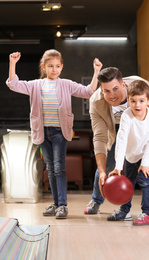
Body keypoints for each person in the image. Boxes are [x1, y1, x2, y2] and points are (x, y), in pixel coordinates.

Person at [6, 50, 102, 219]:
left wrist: (96, 72)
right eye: (50, 66)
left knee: (59, 168)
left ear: (62, 67)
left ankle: (63, 205)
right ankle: (57, 204)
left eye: (57, 66)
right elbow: (13, 84)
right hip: (42, 131)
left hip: (59, 131)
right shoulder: (36, 85)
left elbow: (88, 91)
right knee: (50, 169)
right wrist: (13, 63)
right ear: (44, 67)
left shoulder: (66, 84)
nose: (54, 69)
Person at [84, 67, 149, 222]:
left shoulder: (145, 89)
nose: (112, 95)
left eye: (115, 89)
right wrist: (105, 171)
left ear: (123, 85)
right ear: (101, 89)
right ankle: (99, 200)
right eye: (106, 91)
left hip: (148, 125)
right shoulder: (96, 102)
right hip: (119, 126)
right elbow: (100, 139)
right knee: (113, 167)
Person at [108, 79, 149, 225]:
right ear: (128, 101)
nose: (137, 105)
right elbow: (121, 141)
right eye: (133, 101)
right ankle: (125, 211)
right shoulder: (126, 116)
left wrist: (146, 162)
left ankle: (148, 213)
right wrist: (118, 166)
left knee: (146, 182)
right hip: (130, 155)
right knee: (127, 182)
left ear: (148, 101)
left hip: (146, 153)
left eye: (141, 101)